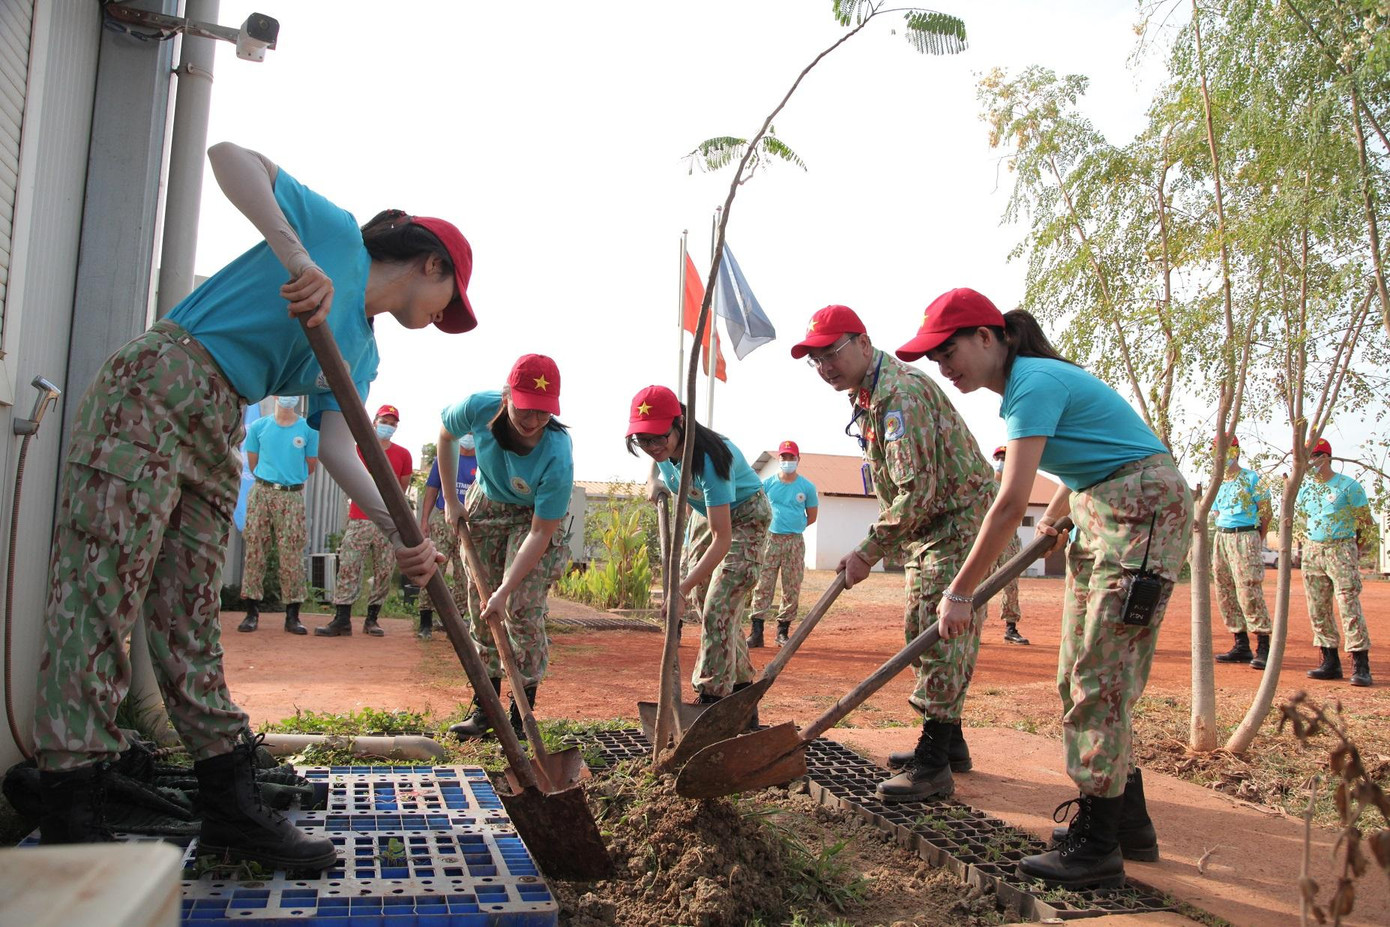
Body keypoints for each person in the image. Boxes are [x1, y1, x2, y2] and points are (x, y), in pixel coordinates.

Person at [31, 141, 471, 870]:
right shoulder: (334, 235)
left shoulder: (361, 348)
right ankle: (73, 787)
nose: (443, 314)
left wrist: (402, 528)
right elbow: (230, 155)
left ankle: (228, 796)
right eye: (450, 299)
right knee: (101, 585)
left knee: (189, 607)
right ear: (431, 264)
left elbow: (339, 450)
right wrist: (296, 256)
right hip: (163, 377)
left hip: (219, 414)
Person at [903, 287, 1192, 889]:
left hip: (1141, 510)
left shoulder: (1031, 384)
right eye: (933, 358)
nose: (943, 366)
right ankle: (1127, 820)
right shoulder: (1029, 383)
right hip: (1101, 504)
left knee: (1100, 677)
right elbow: (1085, 456)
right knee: (1077, 675)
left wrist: (959, 591)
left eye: (948, 350)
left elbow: (1008, 504)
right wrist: (1060, 514)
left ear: (987, 337)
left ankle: (1097, 848)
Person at [792, 305, 994, 803]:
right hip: (933, 527)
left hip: (956, 526)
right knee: (931, 631)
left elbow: (917, 490)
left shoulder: (898, 396)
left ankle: (933, 763)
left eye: (831, 353)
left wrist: (867, 550)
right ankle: (951, 744)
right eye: (815, 359)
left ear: (863, 343)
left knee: (938, 632)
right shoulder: (871, 395)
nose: (824, 367)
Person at [441, 356, 573, 740]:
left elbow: (539, 533)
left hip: (535, 520)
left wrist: (504, 590)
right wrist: (452, 499)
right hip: (487, 502)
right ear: (505, 396)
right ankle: (485, 710)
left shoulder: (557, 455)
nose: (532, 420)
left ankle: (520, 716)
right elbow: (446, 436)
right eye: (524, 408)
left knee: (519, 608)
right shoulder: (479, 407)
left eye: (543, 412)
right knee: (479, 608)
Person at [628, 385, 769, 709]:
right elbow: (656, 462)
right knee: (708, 602)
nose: (652, 446)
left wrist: (680, 588)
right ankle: (742, 692)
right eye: (643, 440)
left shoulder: (709, 459)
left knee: (718, 604)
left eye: (659, 437)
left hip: (744, 517)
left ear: (679, 424)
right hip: (709, 513)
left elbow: (723, 537)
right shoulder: (661, 451)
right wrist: (654, 480)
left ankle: (711, 699)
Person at [317, 405, 413, 637]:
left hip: (387, 522)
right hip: (359, 518)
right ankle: (342, 618)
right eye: (384, 421)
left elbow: (402, 488)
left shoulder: (403, 455)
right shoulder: (359, 450)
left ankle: (372, 619)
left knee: (383, 570)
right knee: (349, 565)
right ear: (374, 421)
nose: (387, 426)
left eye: (392, 423)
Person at [237, 396, 319, 635]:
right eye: (284, 392)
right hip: (262, 491)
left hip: (291, 495)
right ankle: (251, 612)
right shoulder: (260, 427)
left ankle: (292, 615)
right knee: (255, 549)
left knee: (292, 553)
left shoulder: (307, 429)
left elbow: (310, 465)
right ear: (275, 396)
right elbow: (253, 463)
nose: (288, 397)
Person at [1296, 437, 1373, 687]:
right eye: (1309, 457)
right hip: (1313, 551)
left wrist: (1352, 549)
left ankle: (1361, 664)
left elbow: (1366, 524)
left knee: (1348, 605)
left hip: (1341, 549)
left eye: (1316, 456)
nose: (1312, 462)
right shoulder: (1305, 489)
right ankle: (1330, 661)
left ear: (1327, 457)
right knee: (1317, 607)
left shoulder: (1348, 486)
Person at [748, 440, 818, 648]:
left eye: (791, 457)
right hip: (770, 540)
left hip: (794, 542)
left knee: (791, 585)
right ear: (779, 459)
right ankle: (756, 632)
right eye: (784, 457)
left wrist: (793, 527)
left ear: (798, 459)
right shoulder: (767, 484)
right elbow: (757, 508)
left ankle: (782, 632)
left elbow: (811, 516)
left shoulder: (807, 487)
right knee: (763, 584)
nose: (788, 461)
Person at [1210, 436, 1273, 669]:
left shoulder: (1251, 478)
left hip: (1246, 535)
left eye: (1223, 450)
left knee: (1249, 589)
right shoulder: (1216, 481)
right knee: (1224, 589)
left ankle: (1263, 645)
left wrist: (1256, 539)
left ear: (1234, 451)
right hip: (1222, 537)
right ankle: (1241, 643)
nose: (1218, 455)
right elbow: (1215, 512)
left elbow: (1266, 513)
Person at [415, 434, 478, 640]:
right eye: (465, 432)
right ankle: (425, 621)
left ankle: (457, 623)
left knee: (465, 574)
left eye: (472, 432)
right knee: (434, 568)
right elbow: (432, 489)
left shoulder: (483, 461)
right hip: (444, 519)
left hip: (470, 522)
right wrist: (424, 520)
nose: (468, 437)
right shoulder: (445, 457)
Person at [991, 445, 1029, 646]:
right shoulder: (984, 484)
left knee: (1011, 584)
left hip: (1009, 538)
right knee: (977, 581)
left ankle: (1010, 628)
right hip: (986, 537)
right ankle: (972, 626)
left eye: (1005, 457)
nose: (1001, 461)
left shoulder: (1018, 484)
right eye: (998, 457)